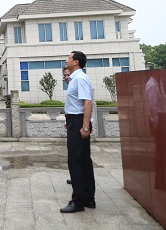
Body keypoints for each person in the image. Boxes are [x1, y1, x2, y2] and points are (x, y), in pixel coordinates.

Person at [60, 51, 96, 213]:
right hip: (75, 120)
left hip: (79, 121)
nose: (66, 60)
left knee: (75, 161)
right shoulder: (76, 78)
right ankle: (88, 198)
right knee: (83, 161)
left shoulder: (80, 79)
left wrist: (85, 126)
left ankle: (78, 202)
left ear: (76, 62)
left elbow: (87, 103)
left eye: (69, 58)